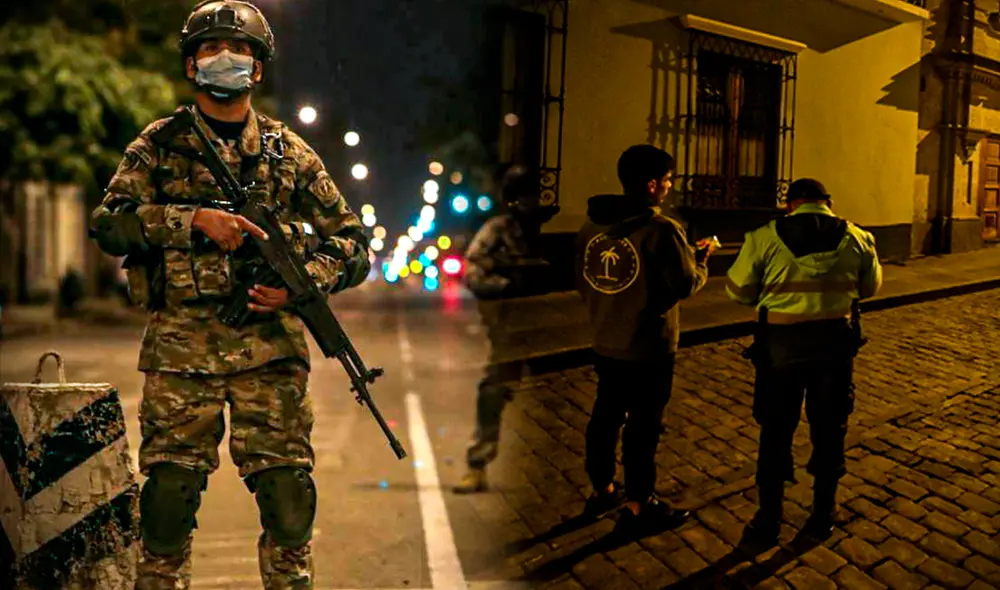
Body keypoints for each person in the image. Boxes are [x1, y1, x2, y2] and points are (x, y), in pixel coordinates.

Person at [88, 2, 371, 588]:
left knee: (288, 494)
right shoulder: (160, 145)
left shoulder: (287, 153)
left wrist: (299, 287)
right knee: (168, 496)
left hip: (270, 354)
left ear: (258, 69)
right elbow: (108, 223)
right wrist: (191, 220)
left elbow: (353, 243)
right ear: (192, 67)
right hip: (180, 354)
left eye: (238, 50)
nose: (225, 58)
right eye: (211, 50)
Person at [726, 178, 882, 544]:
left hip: (780, 348)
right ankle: (822, 514)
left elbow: (738, 290)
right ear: (828, 202)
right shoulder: (859, 237)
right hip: (834, 347)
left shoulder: (763, 237)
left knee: (776, 429)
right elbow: (869, 288)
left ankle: (768, 518)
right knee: (830, 429)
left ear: (791, 204)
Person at [575, 144, 715, 535]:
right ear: (653, 185)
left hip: (605, 338)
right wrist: (700, 262)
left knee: (605, 416)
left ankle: (602, 487)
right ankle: (639, 504)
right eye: (669, 181)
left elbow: (584, 281)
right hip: (648, 345)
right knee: (643, 426)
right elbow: (682, 285)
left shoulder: (590, 227)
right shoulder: (660, 229)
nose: (670, 188)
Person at [453, 165, 556, 494]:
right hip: (513, 327)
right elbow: (473, 270)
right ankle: (478, 464)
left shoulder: (554, 231)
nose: (530, 202)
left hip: (559, 324)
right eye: (525, 195)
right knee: (494, 391)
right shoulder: (499, 230)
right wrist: (506, 287)